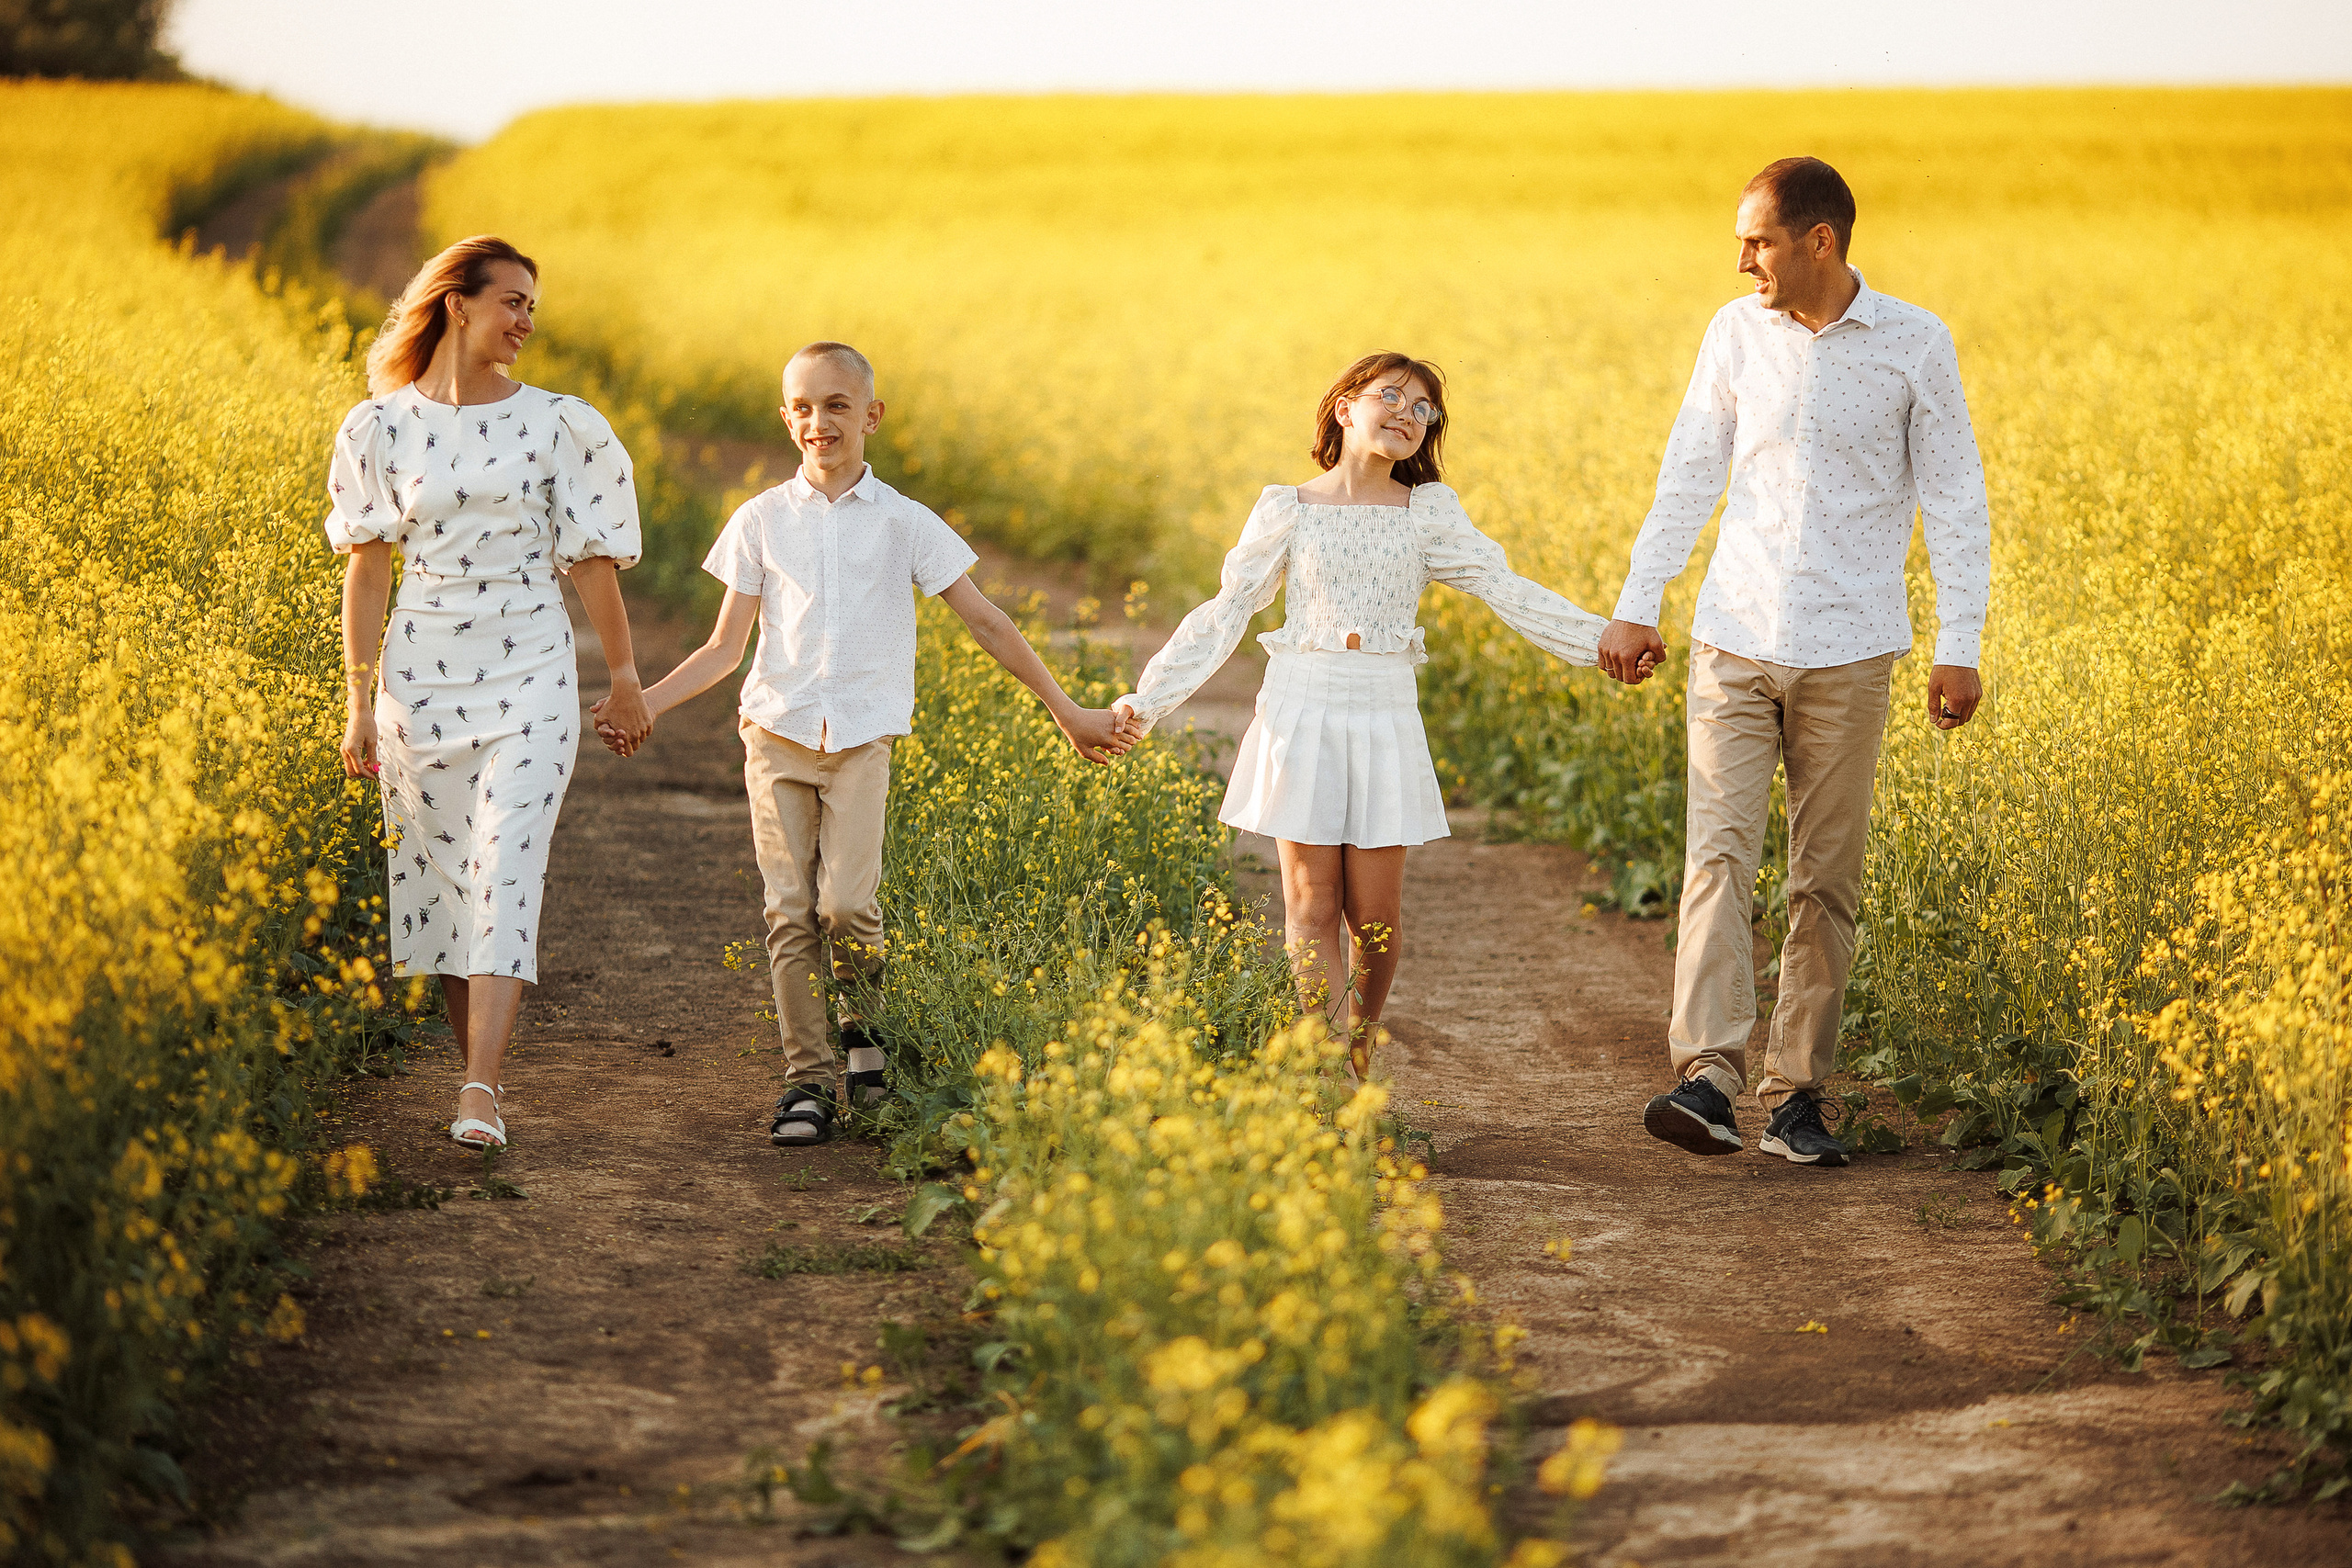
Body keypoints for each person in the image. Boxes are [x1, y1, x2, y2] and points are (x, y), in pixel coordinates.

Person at [598, 342, 1131, 1146]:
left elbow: (987, 621)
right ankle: (807, 1081)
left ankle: (867, 1051)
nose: (819, 421)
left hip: (860, 741)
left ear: (871, 416)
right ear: (787, 420)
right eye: (803, 407)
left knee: (847, 906)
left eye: (837, 405)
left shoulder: (904, 522)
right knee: (788, 911)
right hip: (775, 734)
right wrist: (645, 702)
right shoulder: (761, 519)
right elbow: (723, 648)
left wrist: (1065, 710)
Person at [1600, 157, 1991, 1168]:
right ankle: (1707, 1077)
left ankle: (1795, 1097)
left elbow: (1955, 498)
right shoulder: (1734, 334)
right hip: (1732, 639)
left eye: (1758, 242)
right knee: (1716, 859)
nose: (1742, 263)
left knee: (1824, 882)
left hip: (1852, 649)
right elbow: (1688, 473)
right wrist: (1639, 602)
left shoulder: (1915, 342)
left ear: (1820, 240)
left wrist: (1959, 645)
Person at [1112, 353, 1606, 1079]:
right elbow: (1225, 614)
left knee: (1374, 920)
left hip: (1383, 712)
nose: (1409, 414)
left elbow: (1505, 588)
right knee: (1311, 906)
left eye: (1424, 408)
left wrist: (1600, 641)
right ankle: (1327, 1072)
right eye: (1392, 396)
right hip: (1301, 708)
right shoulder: (1287, 507)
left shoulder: (1428, 512)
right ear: (1345, 407)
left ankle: (1360, 1043)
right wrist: (1145, 701)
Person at [332, 234, 653, 1152]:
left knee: (506, 865)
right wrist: (358, 702)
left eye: (531, 308)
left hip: (531, 676)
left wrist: (624, 676)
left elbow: (590, 561)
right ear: (457, 303)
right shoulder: (378, 427)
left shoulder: (559, 424)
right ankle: (478, 1068)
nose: (525, 323)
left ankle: (480, 1089)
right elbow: (367, 569)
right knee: (444, 889)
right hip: (420, 680)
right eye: (512, 302)